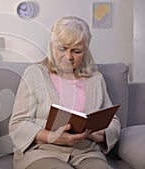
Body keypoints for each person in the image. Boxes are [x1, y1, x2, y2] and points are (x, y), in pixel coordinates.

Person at [9, 16, 121, 169]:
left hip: (85, 152)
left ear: (85, 51)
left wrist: (94, 134)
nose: (68, 56)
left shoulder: (95, 79)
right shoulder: (35, 74)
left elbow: (112, 120)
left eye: (76, 51)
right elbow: (17, 124)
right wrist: (53, 137)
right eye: (62, 49)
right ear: (52, 47)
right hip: (42, 151)